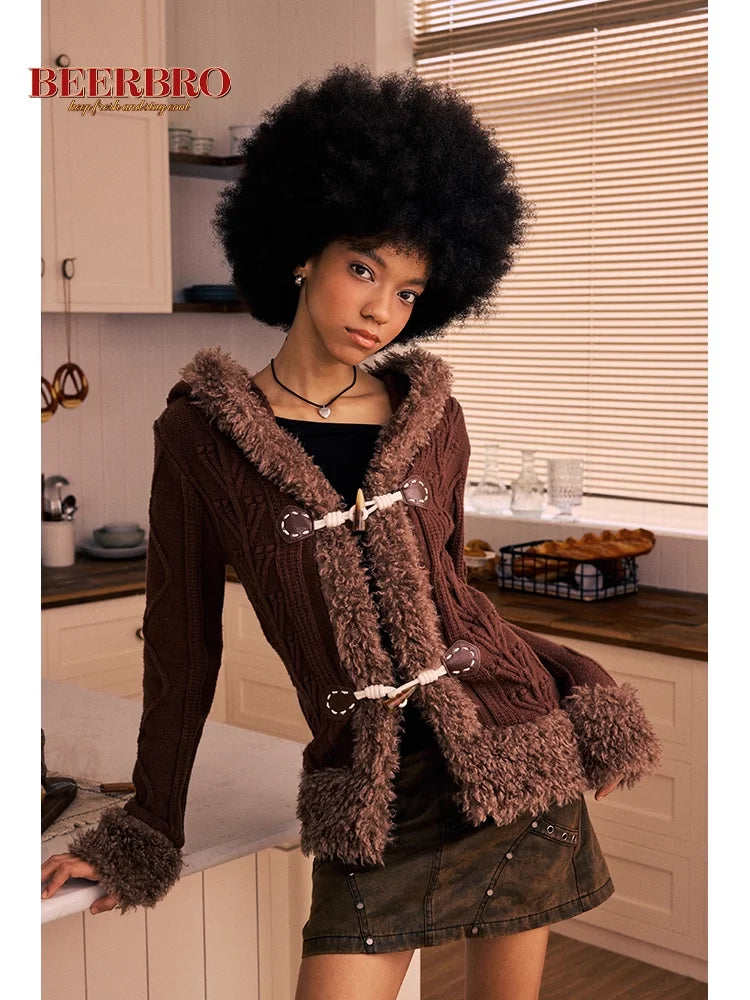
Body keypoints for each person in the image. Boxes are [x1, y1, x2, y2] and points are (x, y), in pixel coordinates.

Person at [41, 65, 661, 1000]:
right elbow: (181, 645)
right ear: (304, 251)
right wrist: (146, 829)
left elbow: (456, 600)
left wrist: (587, 685)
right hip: (373, 799)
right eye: (364, 268)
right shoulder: (201, 436)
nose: (381, 310)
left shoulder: (433, 418)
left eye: (409, 291)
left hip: (515, 756)